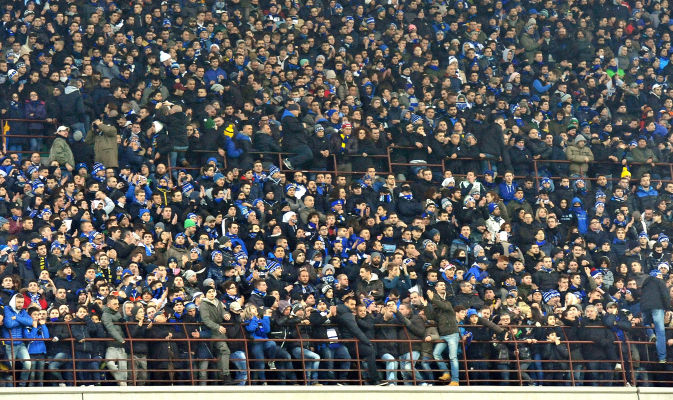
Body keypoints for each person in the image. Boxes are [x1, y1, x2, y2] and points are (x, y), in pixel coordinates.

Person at [199, 286, 233, 384]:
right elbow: (206, 320)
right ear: (205, 294)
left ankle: (223, 378)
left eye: (213, 291)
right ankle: (226, 375)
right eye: (209, 292)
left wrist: (226, 314)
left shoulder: (217, 301)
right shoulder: (204, 305)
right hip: (211, 333)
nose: (211, 293)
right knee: (224, 350)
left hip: (219, 332)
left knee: (221, 354)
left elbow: (223, 312)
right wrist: (217, 327)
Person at [101, 296, 128, 386]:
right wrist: (121, 339)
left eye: (117, 304)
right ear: (108, 305)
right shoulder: (105, 315)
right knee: (110, 364)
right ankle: (121, 381)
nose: (117, 306)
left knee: (124, 368)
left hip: (121, 346)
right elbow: (110, 328)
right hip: (112, 345)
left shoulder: (118, 314)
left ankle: (124, 386)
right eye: (115, 304)